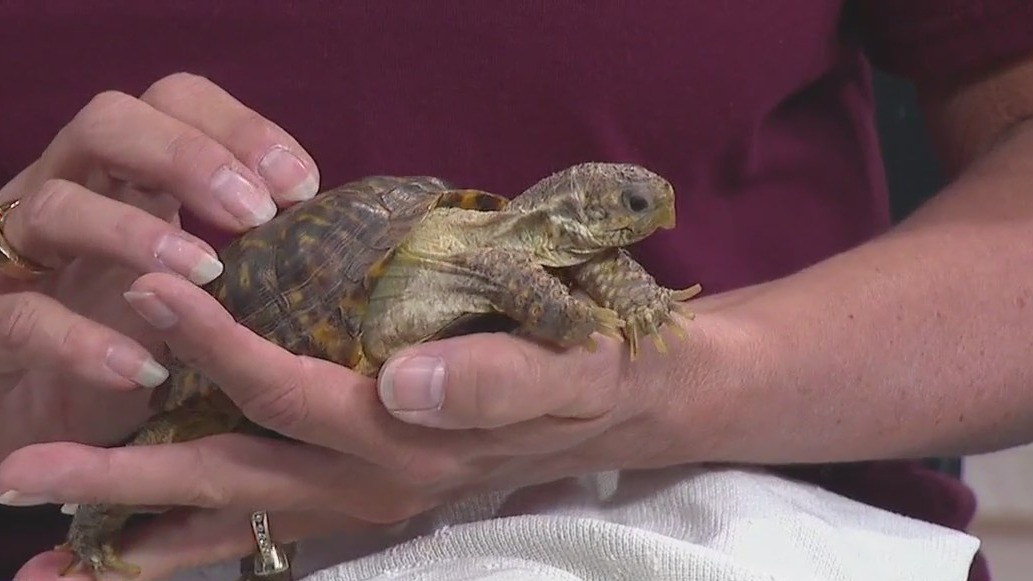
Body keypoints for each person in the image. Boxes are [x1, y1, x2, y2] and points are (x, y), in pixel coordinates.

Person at [0, 2, 1032, 580]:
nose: (647, 209)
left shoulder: (515, 249)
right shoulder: (484, 254)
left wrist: (673, 388)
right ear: (582, 207)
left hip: (730, 525)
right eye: (629, 203)